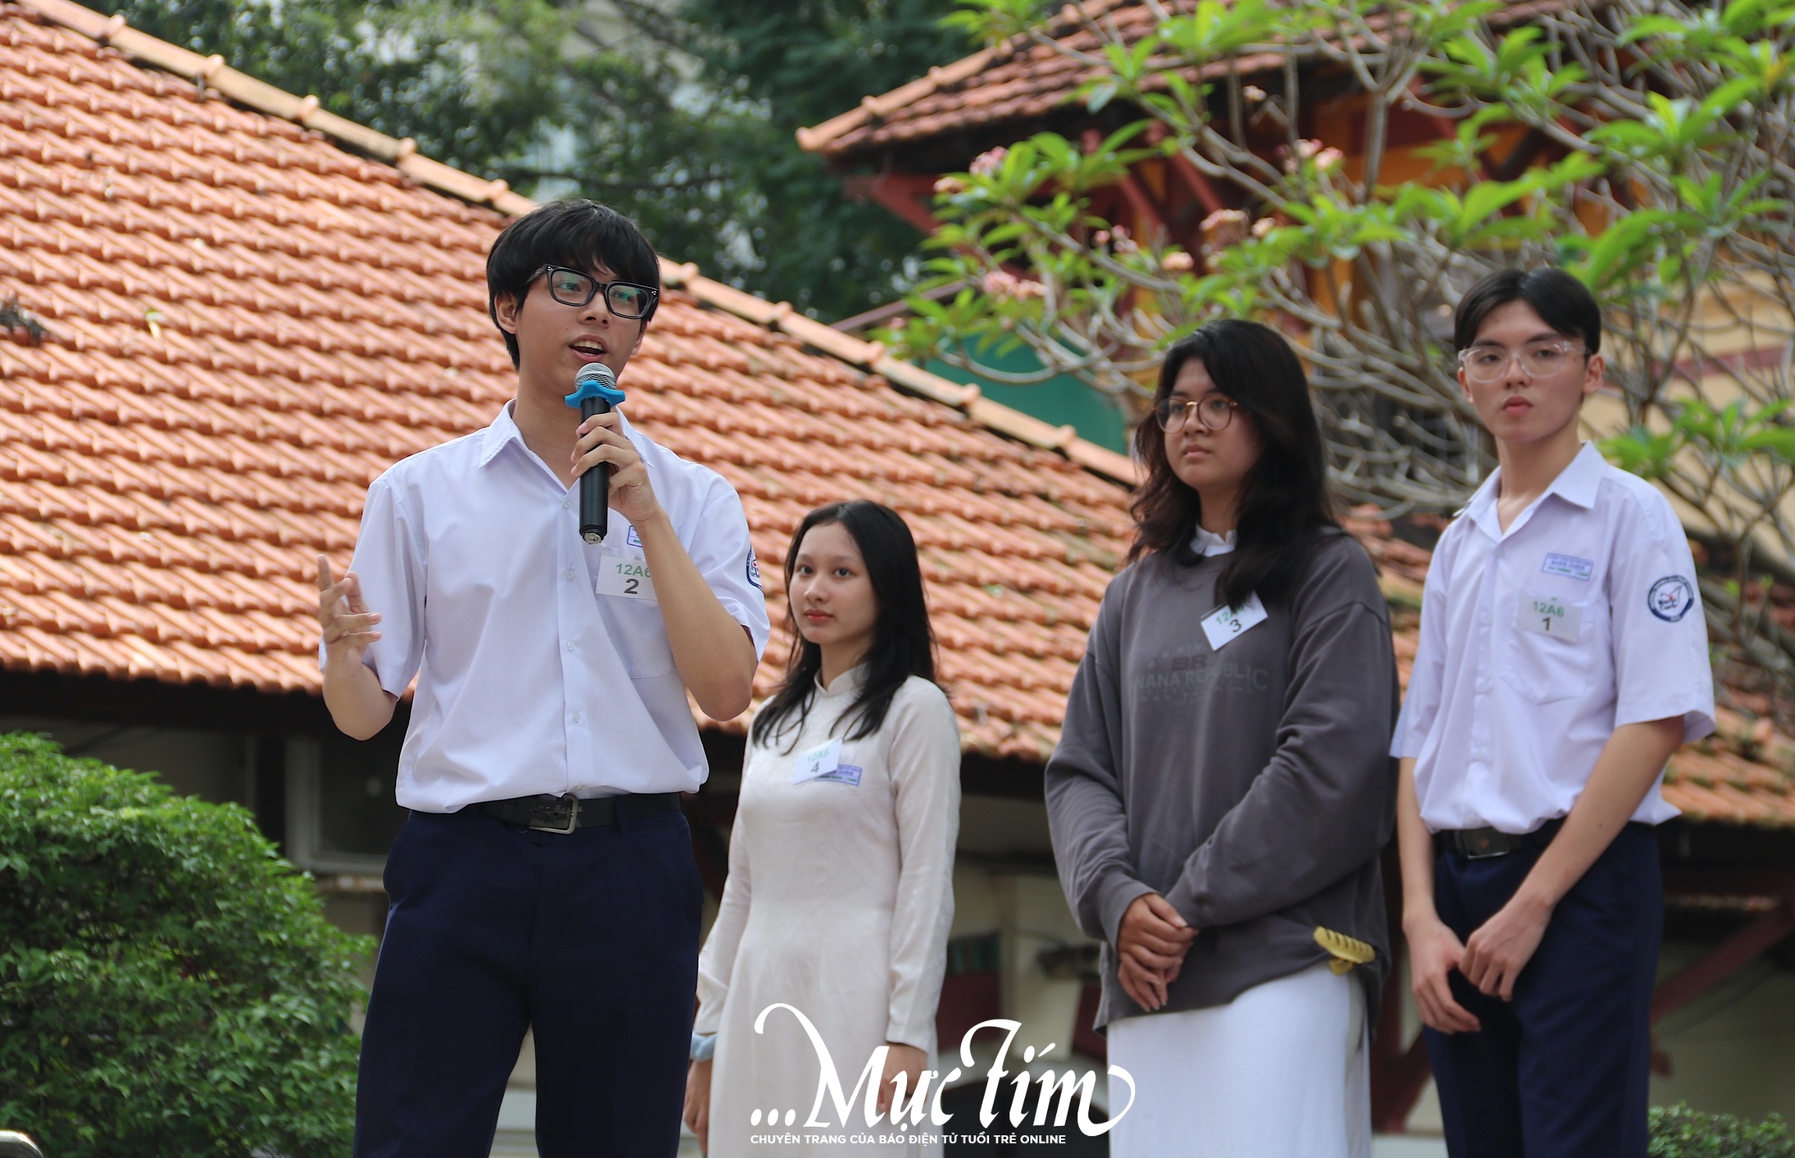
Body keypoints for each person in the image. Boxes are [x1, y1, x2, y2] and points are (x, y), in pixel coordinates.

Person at [315, 199, 771, 1158]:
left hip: (630, 865)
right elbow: (363, 717)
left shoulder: (694, 499)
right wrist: (338, 653)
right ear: (507, 309)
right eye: (571, 286)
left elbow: (728, 691)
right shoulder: (417, 494)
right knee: (411, 1138)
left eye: (625, 296)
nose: (599, 313)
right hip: (462, 861)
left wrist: (648, 517)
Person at [1046, 318, 1398, 1157]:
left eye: (1220, 403)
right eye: (1176, 406)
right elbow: (1080, 772)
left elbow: (1331, 766)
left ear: (1273, 422)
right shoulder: (1131, 595)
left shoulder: (1329, 572)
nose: (1192, 423)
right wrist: (1119, 902)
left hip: (1286, 961)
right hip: (1147, 974)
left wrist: (1183, 904)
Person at [1393, 267, 1715, 1158]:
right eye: (1490, 356)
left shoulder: (1632, 518)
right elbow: (1420, 737)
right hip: (1459, 897)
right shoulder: (1458, 541)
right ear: (1464, 380)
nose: (1516, 376)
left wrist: (1535, 903)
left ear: (1593, 372)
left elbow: (1655, 722)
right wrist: (1421, 917)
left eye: (1544, 352)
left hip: (1580, 890)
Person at [683, 500, 960, 1156]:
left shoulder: (915, 710)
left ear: (886, 587)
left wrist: (908, 1034)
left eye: (842, 572)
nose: (815, 589)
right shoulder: (774, 721)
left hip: (856, 998)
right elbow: (742, 892)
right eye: (804, 569)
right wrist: (708, 1039)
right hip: (759, 997)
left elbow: (926, 883)